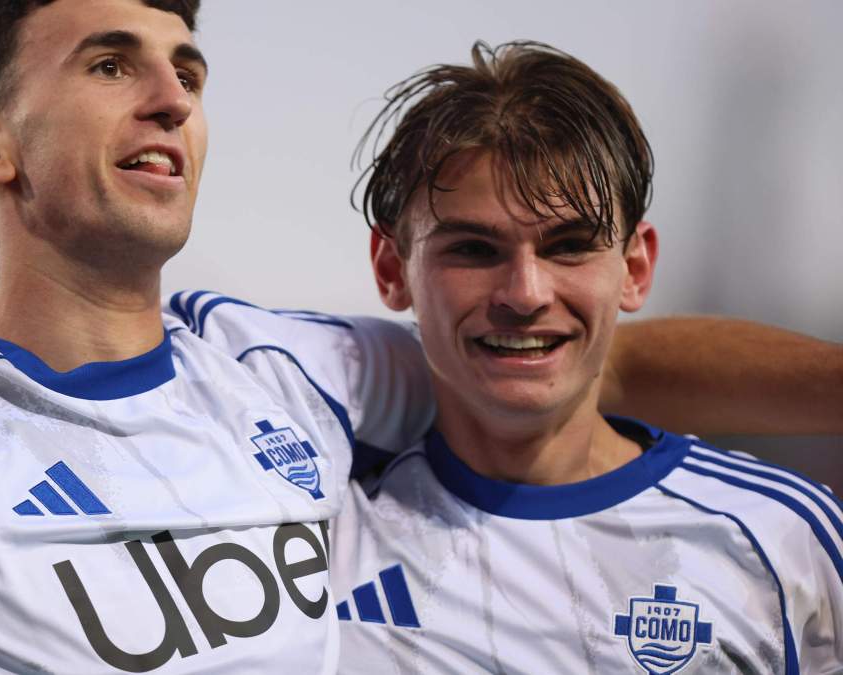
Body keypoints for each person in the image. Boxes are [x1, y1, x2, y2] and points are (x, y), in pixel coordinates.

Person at [0, 2, 839, 672]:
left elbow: (589, 357)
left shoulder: (289, 373)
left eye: (187, 70)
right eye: (109, 64)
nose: (172, 96)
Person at [326, 42, 841, 673]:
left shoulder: (782, 538)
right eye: (474, 250)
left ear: (635, 268)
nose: (525, 294)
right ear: (391, 269)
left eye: (569, 246)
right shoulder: (319, 535)